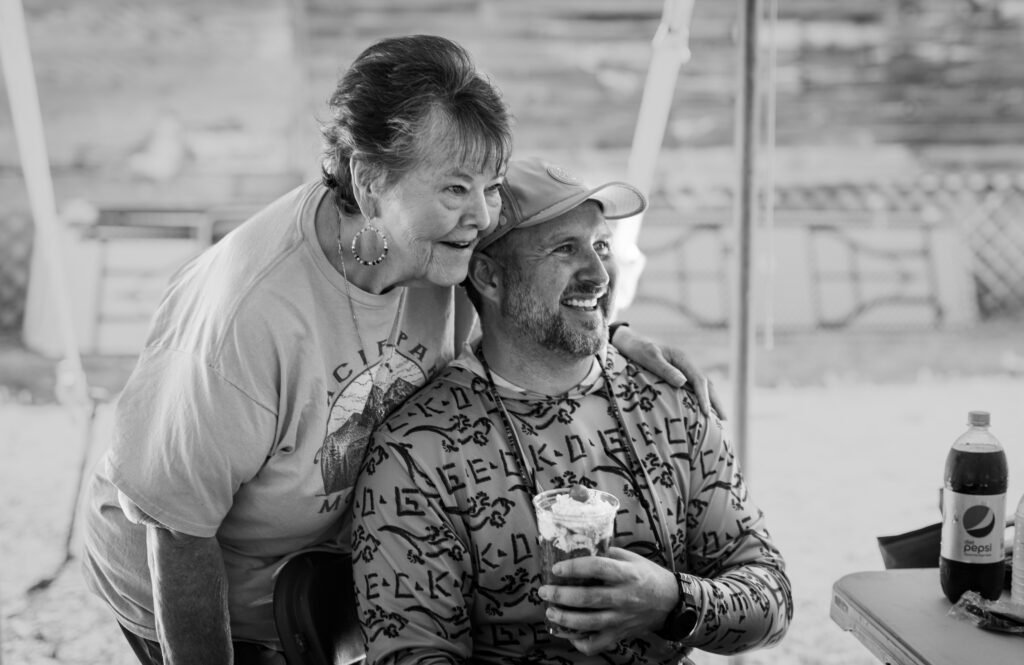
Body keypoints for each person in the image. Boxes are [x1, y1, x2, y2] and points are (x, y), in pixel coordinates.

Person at [81, 36, 719, 665]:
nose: (482, 216)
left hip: (323, 574)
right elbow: (176, 530)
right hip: (193, 581)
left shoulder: (442, 245)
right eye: (455, 189)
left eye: (491, 186)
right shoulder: (250, 317)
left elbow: (533, 280)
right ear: (368, 180)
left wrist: (613, 335)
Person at [352, 157, 792, 664]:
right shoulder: (416, 453)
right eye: (565, 249)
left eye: (601, 245)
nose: (600, 275)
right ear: (489, 276)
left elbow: (772, 596)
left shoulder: (670, 400)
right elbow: (412, 654)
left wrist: (671, 602)